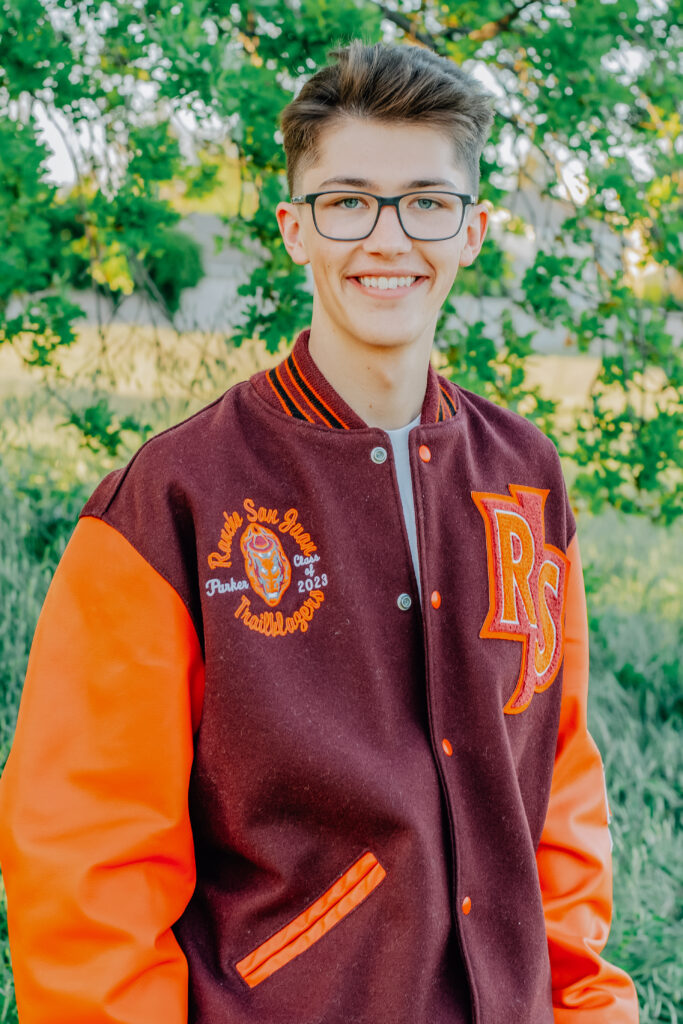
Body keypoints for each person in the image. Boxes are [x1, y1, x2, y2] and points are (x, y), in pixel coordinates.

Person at [0, 40, 639, 1024]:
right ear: (296, 228)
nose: (388, 239)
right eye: (349, 201)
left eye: (425, 202)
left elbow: (553, 787)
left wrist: (585, 1004)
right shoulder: (172, 498)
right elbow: (88, 859)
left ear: (470, 230)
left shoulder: (524, 477)